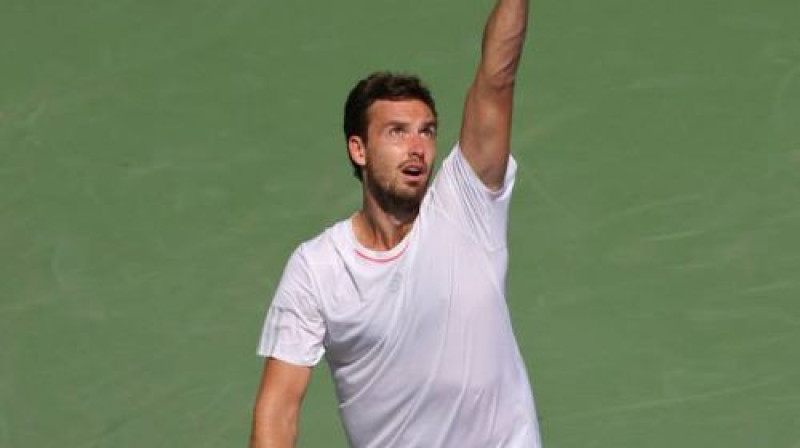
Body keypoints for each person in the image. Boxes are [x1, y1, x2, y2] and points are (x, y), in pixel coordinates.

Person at [250, 0, 540, 446]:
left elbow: (497, 75)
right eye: (397, 131)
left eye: (426, 130)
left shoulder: (468, 204)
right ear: (358, 149)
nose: (417, 147)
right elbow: (279, 411)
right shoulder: (318, 270)